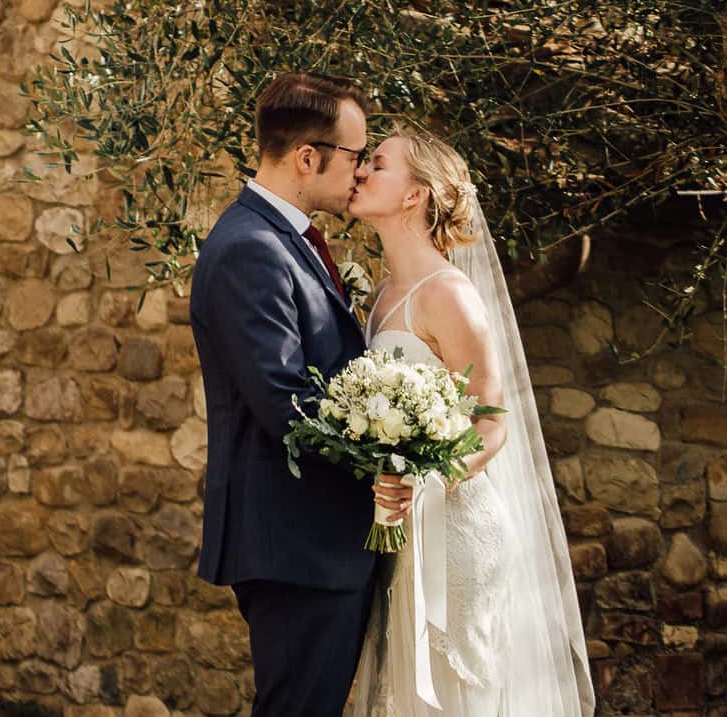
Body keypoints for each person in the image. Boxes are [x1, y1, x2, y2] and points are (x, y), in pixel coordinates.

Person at [341, 126, 596, 716]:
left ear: (414, 196)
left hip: (453, 531)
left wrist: (426, 479)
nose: (359, 172)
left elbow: (491, 421)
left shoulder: (448, 295)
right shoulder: (381, 293)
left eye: (376, 164)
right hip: (400, 528)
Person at [189, 72, 413, 717]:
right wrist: (395, 450)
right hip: (295, 542)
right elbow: (285, 402)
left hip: (316, 541)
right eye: (354, 157)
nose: (361, 173)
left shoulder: (288, 240)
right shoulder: (250, 250)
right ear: (307, 157)